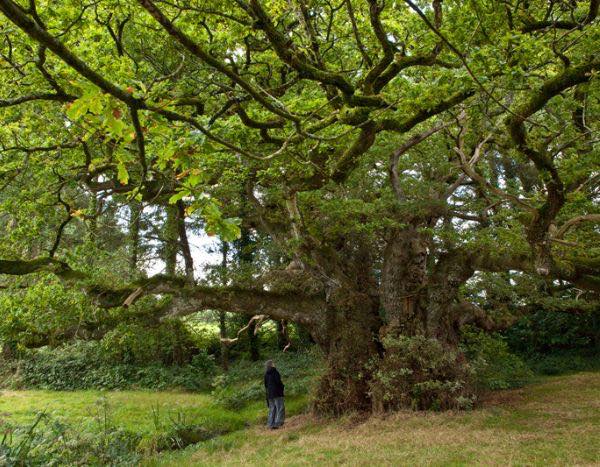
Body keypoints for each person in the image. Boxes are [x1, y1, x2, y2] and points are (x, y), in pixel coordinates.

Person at [264, 359, 285, 429]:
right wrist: (282, 387)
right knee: (280, 407)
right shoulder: (275, 372)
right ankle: (278, 423)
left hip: (270, 394)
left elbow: (266, 385)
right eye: (273, 363)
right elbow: (278, 382)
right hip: (277, 393)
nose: (274, 364)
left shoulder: (266, 374)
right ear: (271, 365)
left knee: (272, 409)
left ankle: (270, 424)